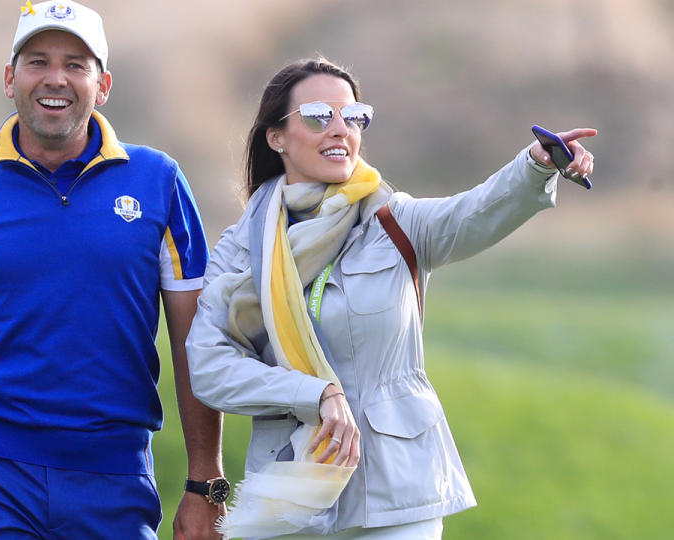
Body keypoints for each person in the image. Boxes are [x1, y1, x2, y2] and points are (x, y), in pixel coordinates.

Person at [185, 58, 595, 539]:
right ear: (276, 136)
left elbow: (476, 211)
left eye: (354, 116)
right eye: (319, 116)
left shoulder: (395, 221)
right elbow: (209, 366)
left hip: (398, 499)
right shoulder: (242, 247)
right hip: (290, 496)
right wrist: (314, 393)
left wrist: (534, 168)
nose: (340, 130)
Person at [0, 2, 227, 539]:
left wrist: (206, 483)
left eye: (75, 65)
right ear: (10, 78)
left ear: (102, 84)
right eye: (37, 61)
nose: (54, 79)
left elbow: (193, 343)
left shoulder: (160, 182)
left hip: (114, 475)